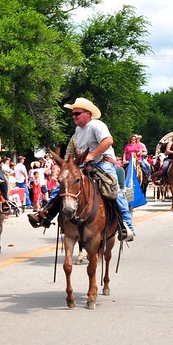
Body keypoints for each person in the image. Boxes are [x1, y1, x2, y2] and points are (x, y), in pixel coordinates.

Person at [28, 97, 135, 241]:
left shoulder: (96, 125)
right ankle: (45, 215)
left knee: (113, 189)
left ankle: (126, 225)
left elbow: (108, 141)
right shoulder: (78, 130)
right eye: (73, 114)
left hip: (103, 163)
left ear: (88, 114)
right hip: (84, 164)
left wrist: (92, 155)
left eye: (77, 113)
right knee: (63, 187)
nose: (74, 116)